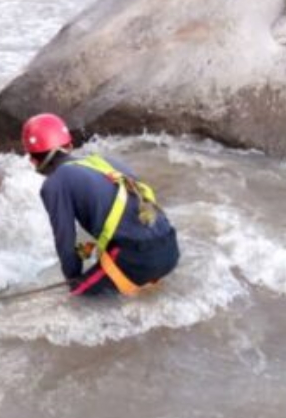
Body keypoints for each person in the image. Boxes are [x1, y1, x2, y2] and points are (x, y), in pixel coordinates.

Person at [22, 112, 179, 297]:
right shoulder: (105, 161)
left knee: (76, 300)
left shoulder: (54, 183)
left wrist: (74, 282)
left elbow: (65, 242)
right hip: (170, 247)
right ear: (70, 146)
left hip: (139, 259)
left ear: (32, 160)